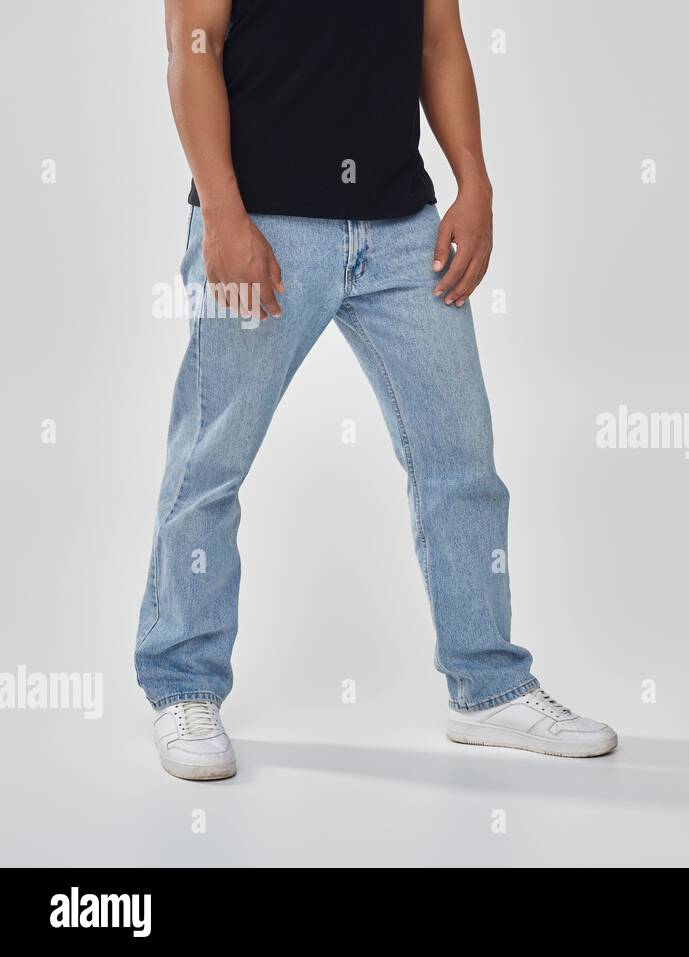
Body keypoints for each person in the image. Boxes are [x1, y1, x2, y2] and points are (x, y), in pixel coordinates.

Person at [138, 0, 616, 781]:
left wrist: (475, 184)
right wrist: (223, 213)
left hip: (401, 228)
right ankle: (182, 684)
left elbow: (438, 40)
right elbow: (193, 47)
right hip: (263, 223)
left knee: (460, 462)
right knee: (208, 464)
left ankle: (488, 685)